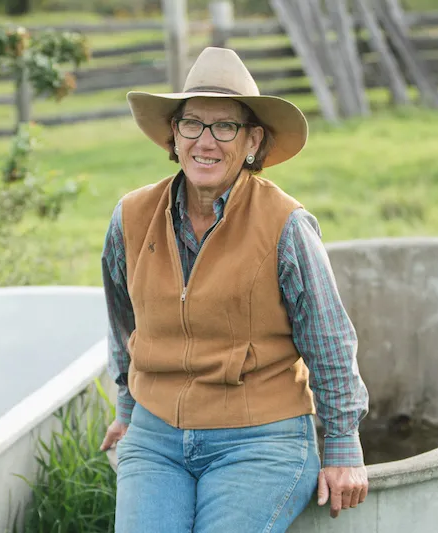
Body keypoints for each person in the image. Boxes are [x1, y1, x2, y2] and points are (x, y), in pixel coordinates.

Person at [99, 46, 369, 533]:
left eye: (225, 126)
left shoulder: (285, 224)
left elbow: (328, 337)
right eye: (192, 124)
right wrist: (127, 408)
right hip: (157, 437)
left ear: (252, 141)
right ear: (173, 136)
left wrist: (343, 443)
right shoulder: (131, 217)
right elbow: (125, 323)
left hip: (261, 439)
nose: (206, 141)